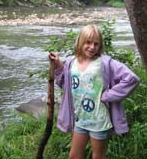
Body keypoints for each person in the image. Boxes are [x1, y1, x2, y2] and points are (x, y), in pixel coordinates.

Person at [49, 24, 140, 159]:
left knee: (98, 157)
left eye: (96, 44)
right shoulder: (71, 62)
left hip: (99, 120)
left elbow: (132, 79)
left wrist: (109, 95)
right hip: (80, 119)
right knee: (74, 156)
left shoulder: (105, 63)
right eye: (88, 42)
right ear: (80, 41)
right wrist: (58, 66)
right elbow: (66, 85)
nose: (92, 47)